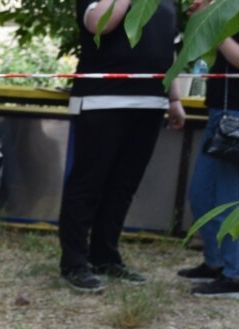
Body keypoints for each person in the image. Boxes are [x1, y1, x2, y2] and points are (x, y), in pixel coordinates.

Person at [56, 0, 183, 293]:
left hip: (152, 101)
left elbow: (170, 51)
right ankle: (74, 261)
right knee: (88, 183)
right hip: (103, 99)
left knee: (123, 186)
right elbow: (100, 23)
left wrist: (174, 99)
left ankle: (104, 255)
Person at [177, 5, 239, 299]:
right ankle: (217, 262)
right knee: (203, 195)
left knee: (234, 201)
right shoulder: (236, 12)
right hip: (220, 114)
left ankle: (236, 278)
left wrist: (213, 26)